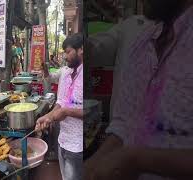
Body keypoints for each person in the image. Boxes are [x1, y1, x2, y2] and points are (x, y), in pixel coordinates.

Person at [86, 0, 193, 180]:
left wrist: (138, 159)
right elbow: (125, 124)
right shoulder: (143, 40)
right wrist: (90, 168)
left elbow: (131, 157)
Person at [35, 33, 84, 180]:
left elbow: (91, 111)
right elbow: (61, 103)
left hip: (78, 145)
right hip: (62, 140)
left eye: (68, 52)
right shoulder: (65, 72)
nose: (64, 56)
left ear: (81, 49)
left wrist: (67, 111)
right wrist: (47, 117)